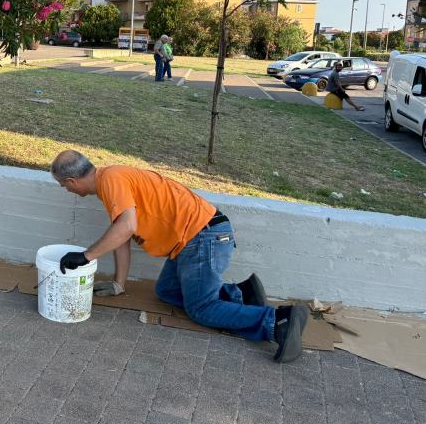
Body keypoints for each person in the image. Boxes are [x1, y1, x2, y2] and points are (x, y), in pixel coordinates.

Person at [50, 150, 308, 363]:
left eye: (63, 186)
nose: (66, 190)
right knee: (165, 292)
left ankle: (278, 322)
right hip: (193, 240)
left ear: (72, 181)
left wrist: (86, 256)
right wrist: (119, 284)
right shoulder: (112, 179)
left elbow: (125, 228)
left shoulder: (111, 180)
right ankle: (240, 295)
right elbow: (122, 234)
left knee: (201, 309)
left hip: (203, 237)